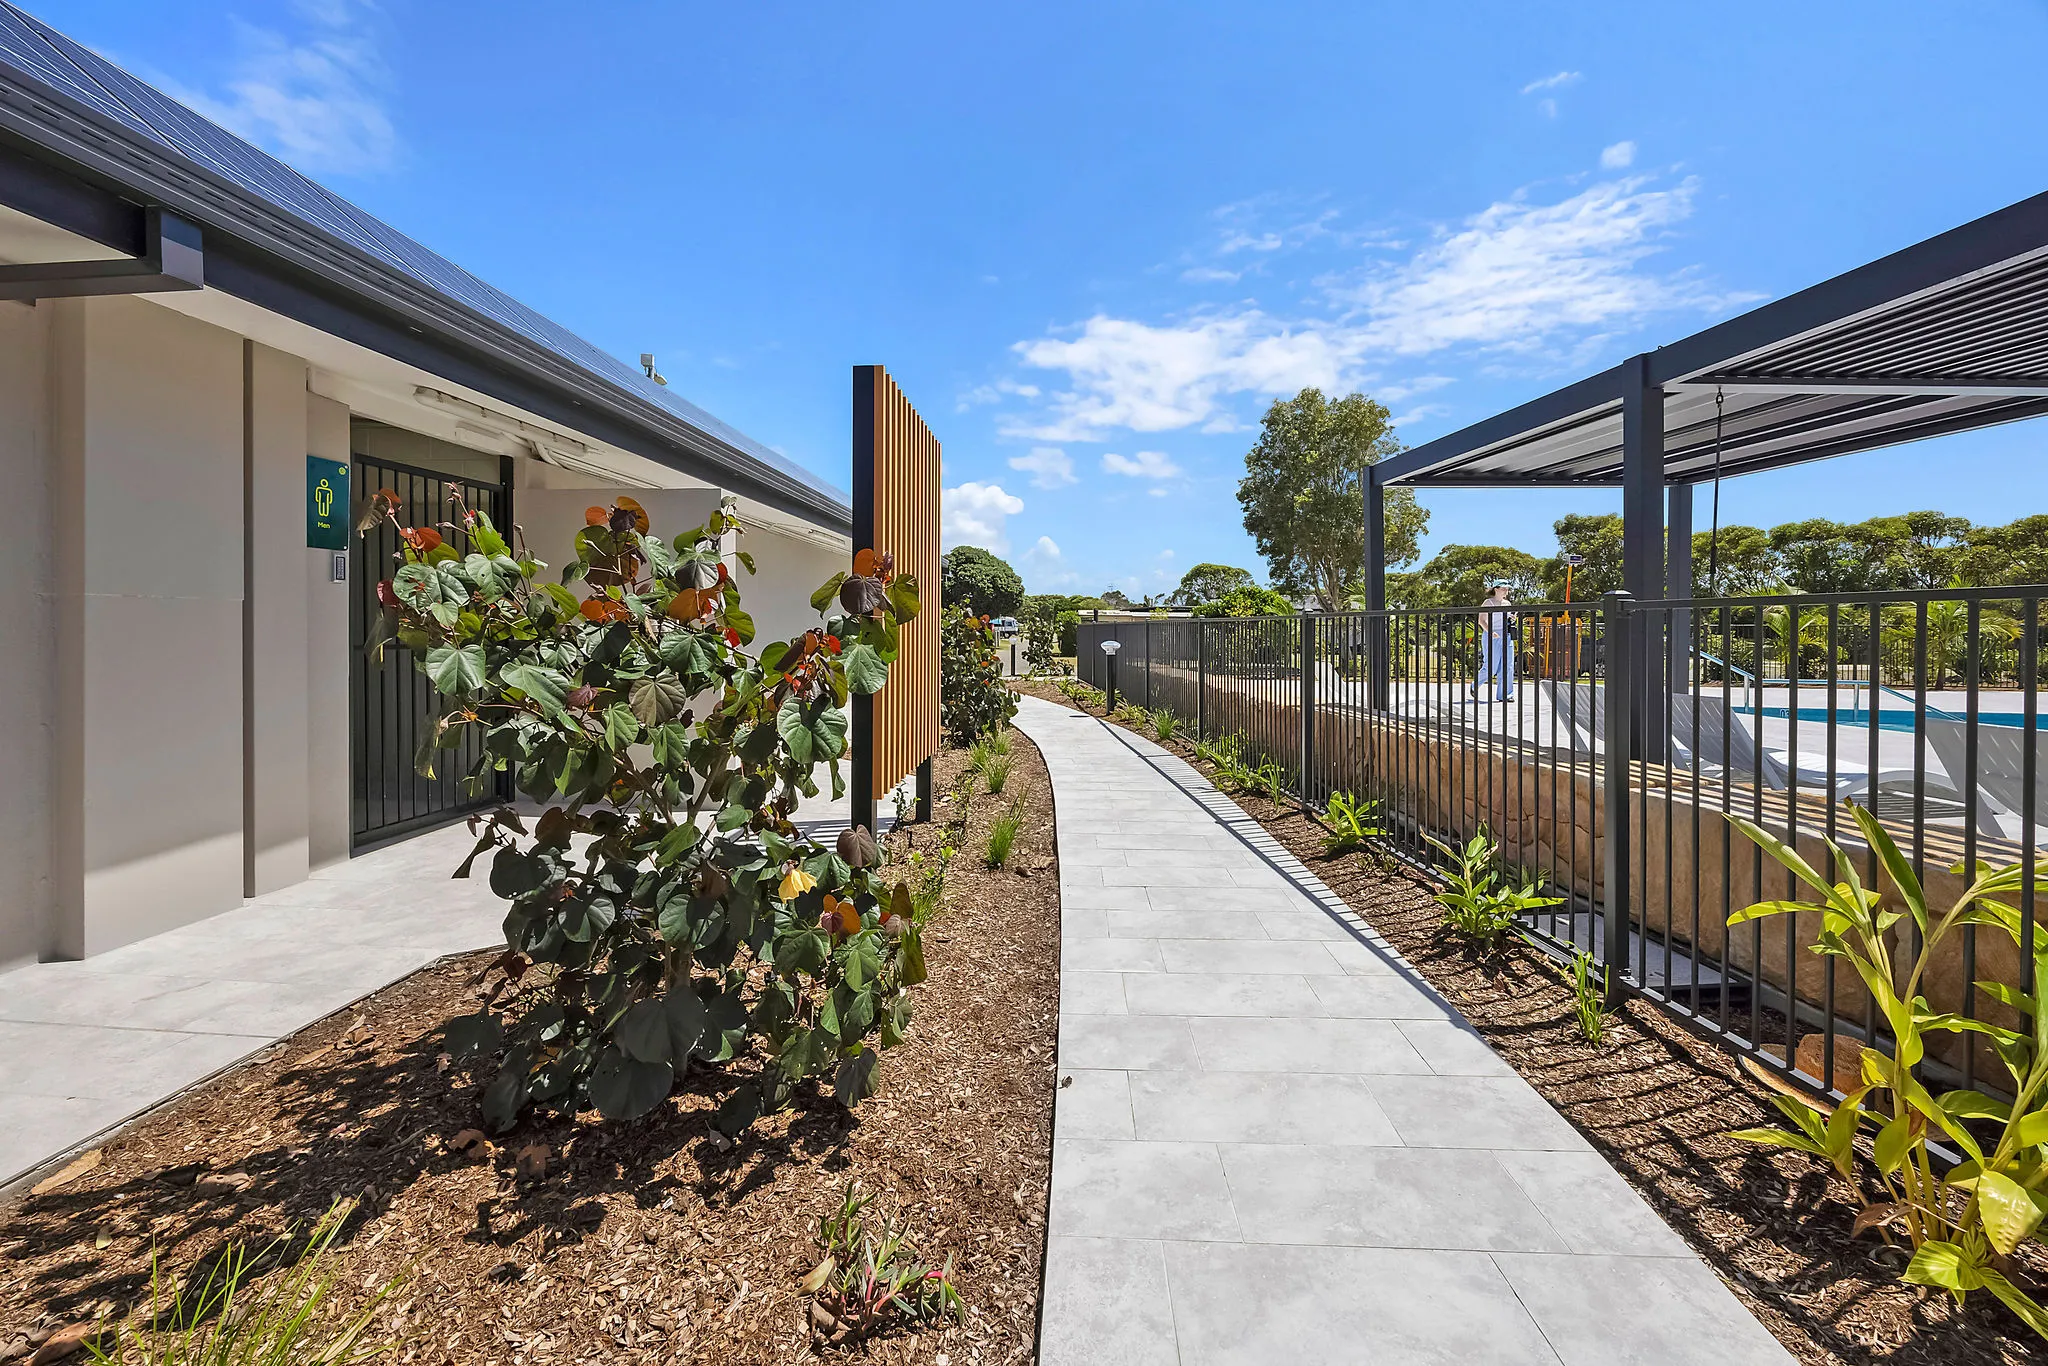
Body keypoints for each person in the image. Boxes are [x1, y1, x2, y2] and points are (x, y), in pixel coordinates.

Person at [1471, 582, 1516, 702]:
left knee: (1508, 666)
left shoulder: (1507, 603)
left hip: (1506, 635)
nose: (1506, 591)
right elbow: (1481, 620)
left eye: (1507, 589)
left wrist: (1511, 618)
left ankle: (1506, 695)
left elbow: (1506, 619)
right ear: (1496, 589)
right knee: (1491, 666)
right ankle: (1475, 684)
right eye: (1503, 589)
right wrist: (1490, 632)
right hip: (1491, 635)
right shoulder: (1488, 603)